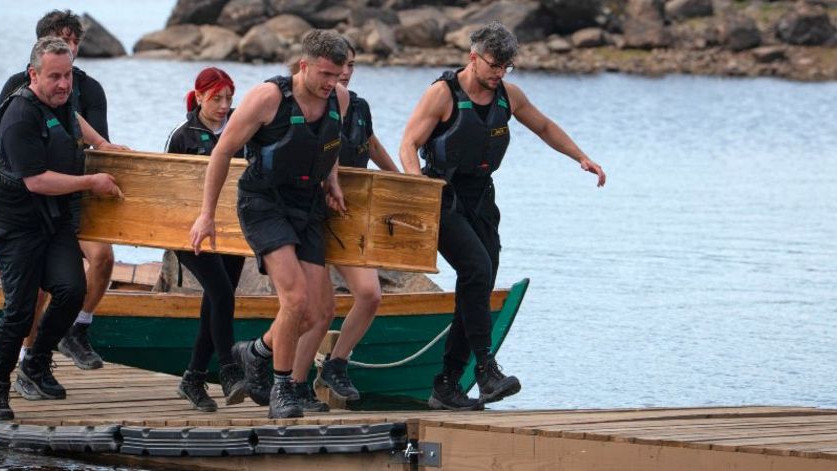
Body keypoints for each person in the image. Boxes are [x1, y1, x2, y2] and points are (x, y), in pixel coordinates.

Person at [399, 22, 606, 411]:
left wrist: (581, 156)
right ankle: (485, 369)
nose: (499, 74)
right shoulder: (443, 94)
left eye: (507, 67)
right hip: (441, 195)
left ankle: (445, 384)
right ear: (473, 57)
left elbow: (543, 126)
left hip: (481, 199)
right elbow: (409, 143)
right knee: (476, 270)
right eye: (495, 66)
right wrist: (417, 188)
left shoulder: (508, 95)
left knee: (478, 283)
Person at [189, 29, 350, 419]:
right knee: (294, 300)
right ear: (304, 65)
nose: (333, 83)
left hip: (308, 207)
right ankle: (282, 391)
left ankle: (254, 351)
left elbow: (328, 145)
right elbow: (223, 152)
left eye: (339, 74)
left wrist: (332, 181)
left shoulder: (340, 100)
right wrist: (207, 213)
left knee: (314, 313)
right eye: (325, 75)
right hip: (262, 202)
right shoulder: (269, 98)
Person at [0, 37, 124, 421]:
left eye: (68, 76)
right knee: (20, 307)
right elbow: (36, 181)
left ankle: (37, 362)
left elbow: (75, 125)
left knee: (71, 289)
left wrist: (107, 146)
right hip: (14, 221)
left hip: (55, 217)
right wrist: (92, 182)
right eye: (54, 77)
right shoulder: (19, 115)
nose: (64, 84)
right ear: (34, 75)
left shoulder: (65, 101)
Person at [287, 38, 400, 409]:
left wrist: (400, 178)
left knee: (370, 294)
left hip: (349, 215)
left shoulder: (359, 105)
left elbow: (370, 143)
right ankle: (295, 384)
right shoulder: (303, 102)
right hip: (310, 215)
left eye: (351, 65)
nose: (346, 73)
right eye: (340, 66)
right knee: (317, 311)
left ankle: (336, 363)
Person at [163, 67, 247, 412]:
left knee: (214, 303)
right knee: (222, 293)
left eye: (229, 98)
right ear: (199, 97)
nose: (225, 105)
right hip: (191, 232)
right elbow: (167, 186)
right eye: (217, 99)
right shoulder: (182, 136)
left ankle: (193, 379)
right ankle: (228, 368)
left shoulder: (244, 130)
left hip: (233, 232)